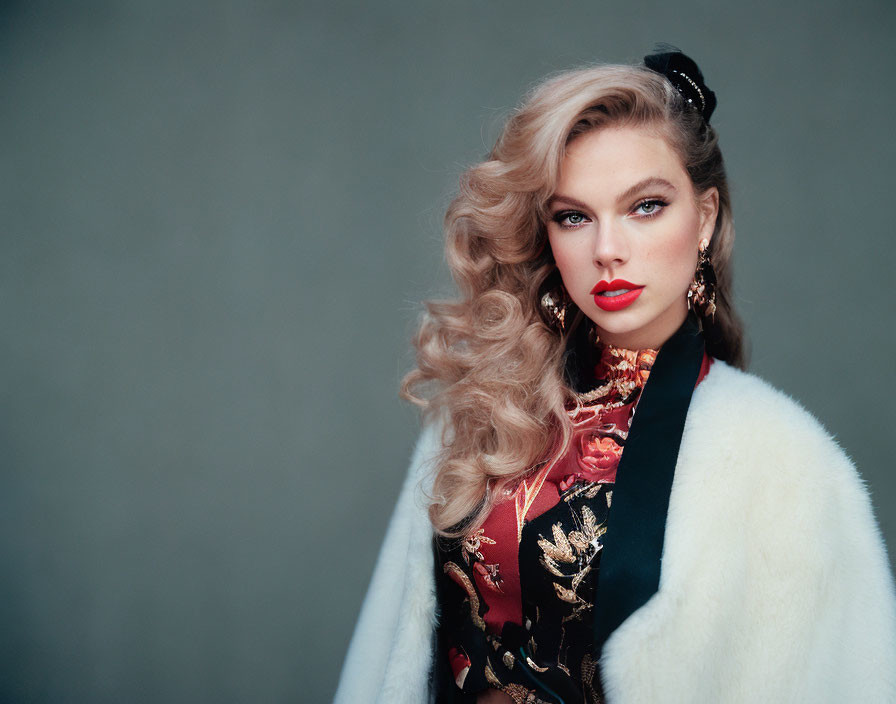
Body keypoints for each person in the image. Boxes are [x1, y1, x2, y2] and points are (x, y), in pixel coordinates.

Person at [333, 47, 896, 704]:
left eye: (646, 206)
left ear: (705, 218)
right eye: (573, 216)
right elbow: (395, 664)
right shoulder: (482, 415)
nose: (607, 249)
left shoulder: (780, 462)